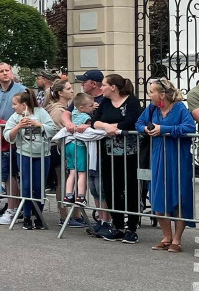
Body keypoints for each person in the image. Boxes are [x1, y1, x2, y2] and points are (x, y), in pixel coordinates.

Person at [138, 78, 196, 253]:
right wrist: (145, 130)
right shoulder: (152, 109)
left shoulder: (179, 108)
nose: (149, 95)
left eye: (151, 92)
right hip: (157, 157)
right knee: (158, 197)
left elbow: (189, 126)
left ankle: (177, 240)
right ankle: (166, 236)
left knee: (179, 197)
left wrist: (164, 129)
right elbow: (139, 123)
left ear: (162, 94)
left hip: (178, 158)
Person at [90, 74, 144, 243]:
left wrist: (115, 128)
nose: (101, 88)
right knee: (111, 188)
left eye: (104, 85)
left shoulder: (131, 101)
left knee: (131, 189)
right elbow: (94, 121)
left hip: (129, 154)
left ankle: (132, 228)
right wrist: (106, 126)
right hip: (108, 153)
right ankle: (118, 225)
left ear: (113, 87)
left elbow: (131, 122)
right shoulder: (105, 102)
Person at [4, 90, 58, 230]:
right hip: (24, 154)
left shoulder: (41, 113)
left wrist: (37, 124)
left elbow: (52, 129)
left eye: (15, 104)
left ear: (24, 104)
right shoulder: (15, 117)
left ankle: (39, 216)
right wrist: (18, 127)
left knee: (39, 186)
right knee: (26, 186)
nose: (13, 107)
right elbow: (7, 135)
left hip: (42, 155)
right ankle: (27, 215)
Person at [0, 62, 27, 225]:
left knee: (18, 175)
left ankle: (19, 209)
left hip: (18, 136)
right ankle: (12, 208)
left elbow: (26, 112)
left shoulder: (21, 90)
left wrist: (4, 130)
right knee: (7, 175)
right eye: (1, 71)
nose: (5, 73)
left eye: (7, 70)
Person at [63, 92, 94, 206]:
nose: (93, 107)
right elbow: (92, 126)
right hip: (79, 146)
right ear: (82, 107)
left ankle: (68, 195)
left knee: (72, 172)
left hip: (69, 144)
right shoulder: (86, 117)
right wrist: (89, 125)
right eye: (90, 106)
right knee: (82, 173)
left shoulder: (74, 113)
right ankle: (80, 197)